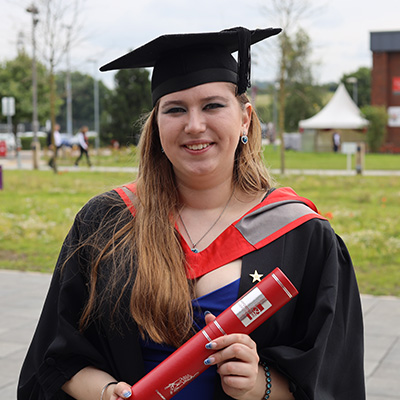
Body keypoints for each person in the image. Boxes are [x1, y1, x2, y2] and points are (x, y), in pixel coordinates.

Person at [18, 27, 365, 400]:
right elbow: (54, 356)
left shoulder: (302, 235)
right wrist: (106, 393)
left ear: (245, 118)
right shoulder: (105, 222)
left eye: (213, 105)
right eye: (175, 109)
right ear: (157, 125)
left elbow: (333, 379)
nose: (194, 125)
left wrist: (259, 384)